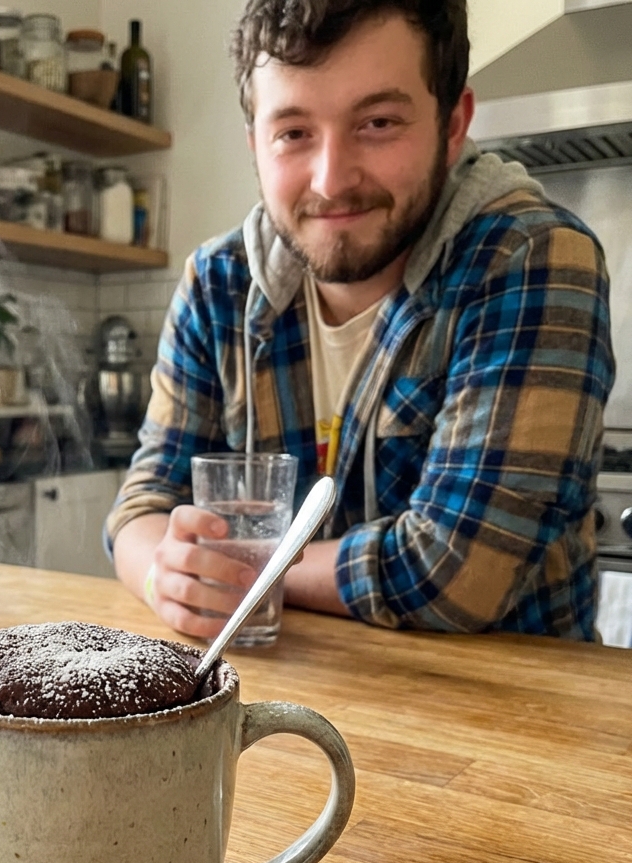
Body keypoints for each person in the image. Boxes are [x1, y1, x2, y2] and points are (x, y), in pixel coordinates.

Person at [106, 0, 615, 642]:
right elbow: (142, 505)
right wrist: (166, 576)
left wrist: (241, 574)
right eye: (293, 132)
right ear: (254, 143)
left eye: (377, 122)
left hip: (503, 725)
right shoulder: (218, 283)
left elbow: (454, 576)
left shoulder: (531, 257)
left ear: (453, 124)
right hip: (277, 703)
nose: (331, 179)